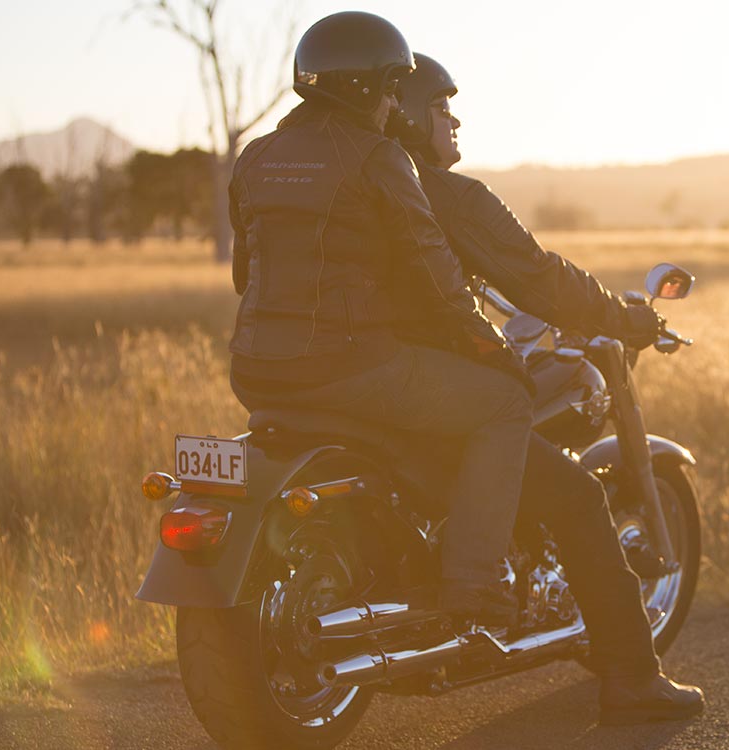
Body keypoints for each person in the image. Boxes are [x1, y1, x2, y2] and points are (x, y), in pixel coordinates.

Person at [385, 53, 705, 725]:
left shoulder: (344, 192)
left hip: (356, 395)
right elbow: (540, 277)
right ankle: (632, 682)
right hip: (436, 402)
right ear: (410, 115)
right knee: (579, 497)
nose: (455, 117)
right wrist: (626, 321)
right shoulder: (447, 196)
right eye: (443, 106)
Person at [226, 13, 531, 624]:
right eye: (394, 87)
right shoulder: (379, 156)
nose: (397, 103)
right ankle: (474, 585)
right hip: (348, 368)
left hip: (255, 371)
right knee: (506, 403)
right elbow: (437, 277)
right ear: (365, 87)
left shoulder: (256, 157)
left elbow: (244, 274)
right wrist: (491, 347)